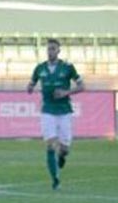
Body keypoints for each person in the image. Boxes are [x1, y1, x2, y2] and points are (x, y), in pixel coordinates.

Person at [27, 38, 83, 190]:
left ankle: (62, 155)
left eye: (53, 49)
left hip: (64, 111)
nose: (50, 51)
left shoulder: (68, 67)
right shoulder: (40, 68)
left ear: (58, 51)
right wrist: (30, 87)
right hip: (47, 110)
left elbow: (82, 86)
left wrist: (66, 92)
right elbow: (31, 83)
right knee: (50, 144)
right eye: (48, 49)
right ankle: (55, 179)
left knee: (64, 148)